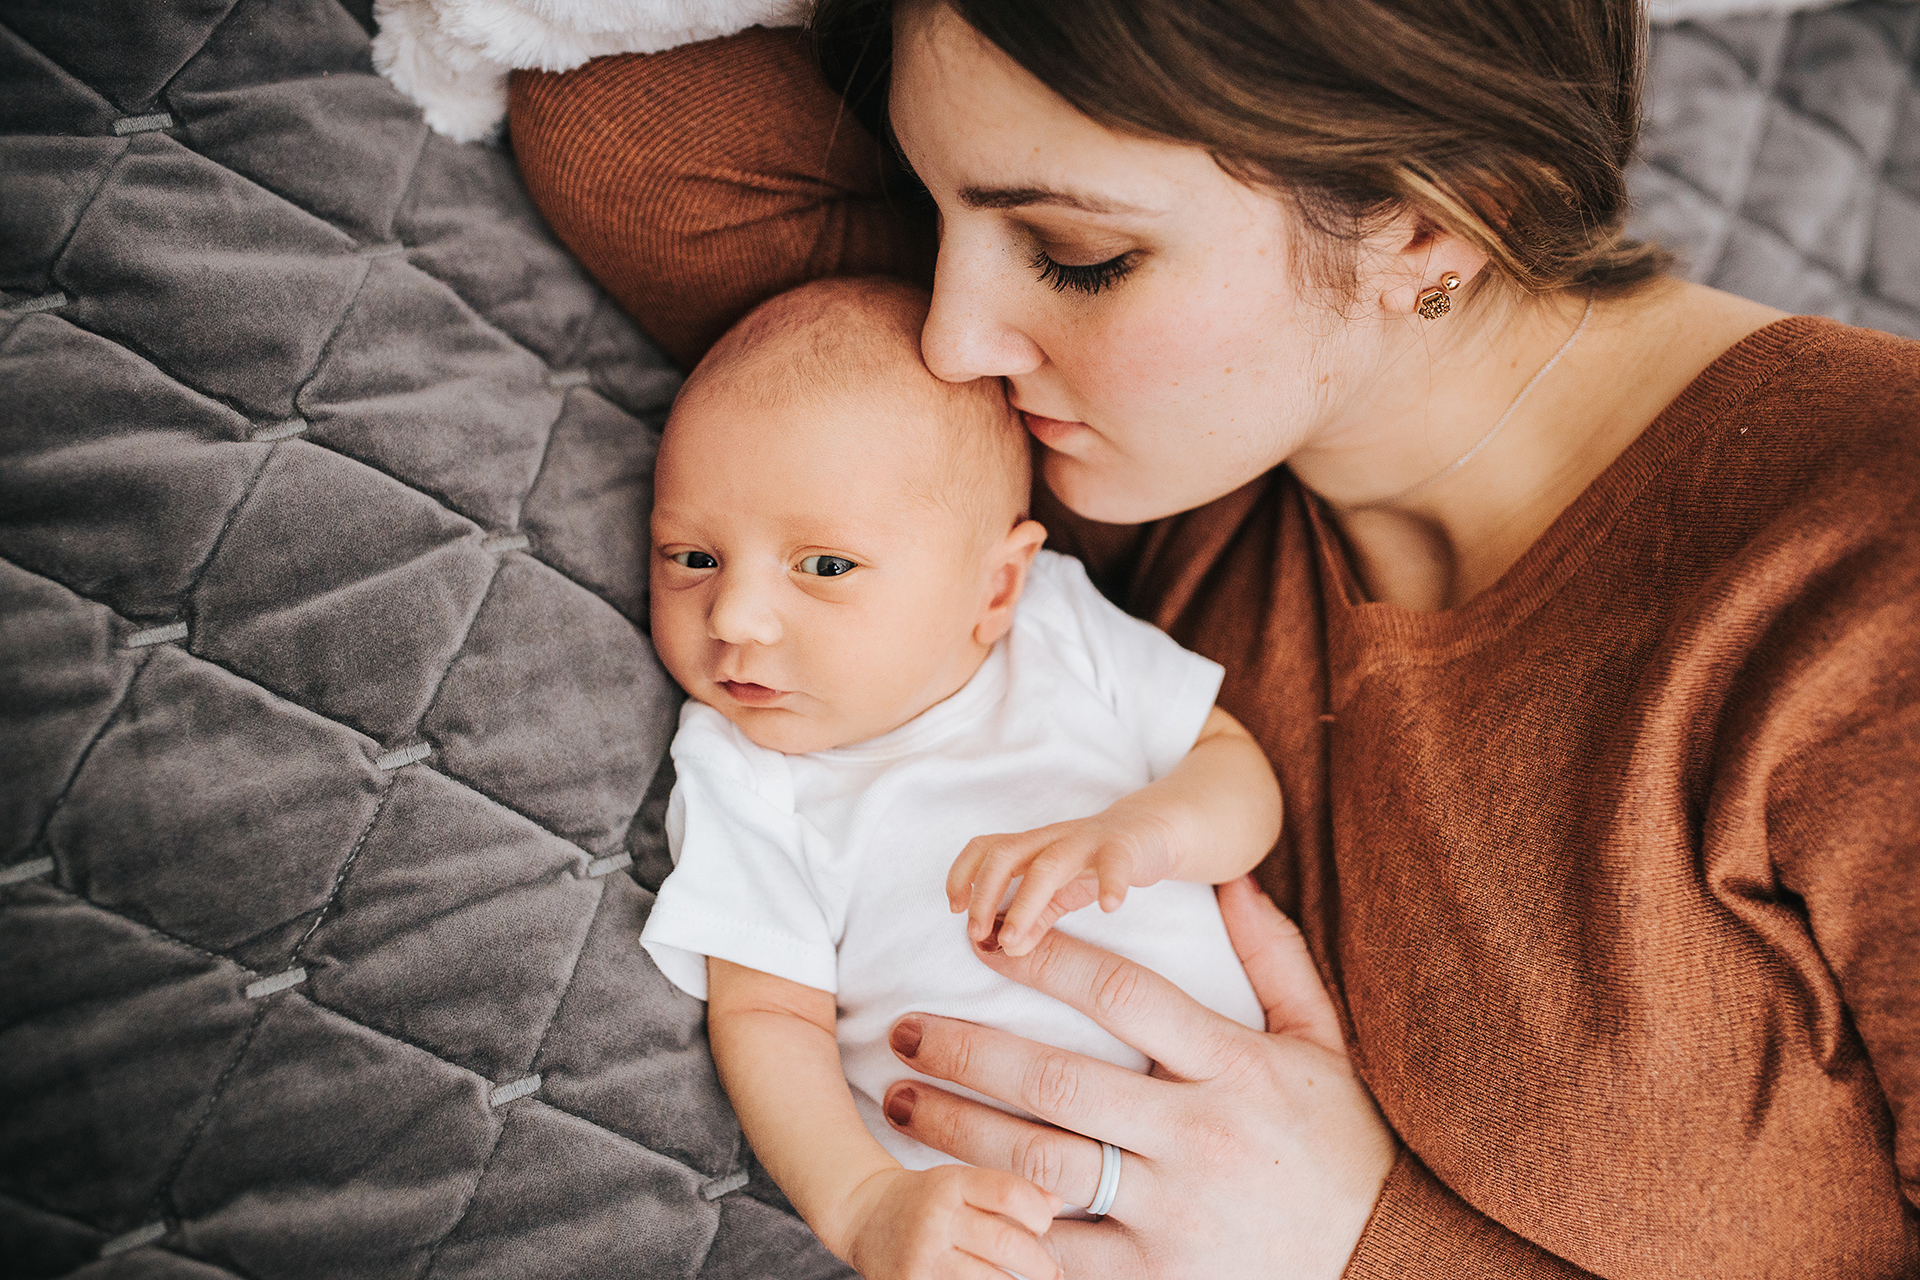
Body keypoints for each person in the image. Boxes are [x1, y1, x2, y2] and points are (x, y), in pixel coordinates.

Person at [509, 1, 1920, 1274]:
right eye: (938, 216)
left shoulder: (1869, 581)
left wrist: (1358, 1248)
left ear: (1431, 221)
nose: (950, 341)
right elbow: (620, 115)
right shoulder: (1105, 491)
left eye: (1074, 254)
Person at [639, 276, 1281, 1279]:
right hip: (1006, 1238)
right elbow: (766, 1015)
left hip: (1254, 1178)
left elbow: (1239, 776)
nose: (734, 619)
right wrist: (865, 1201)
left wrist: (1148, 832)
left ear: (996, 584)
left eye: (825, 566)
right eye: (692, 555)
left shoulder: (1058, 631)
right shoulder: (743, 764)